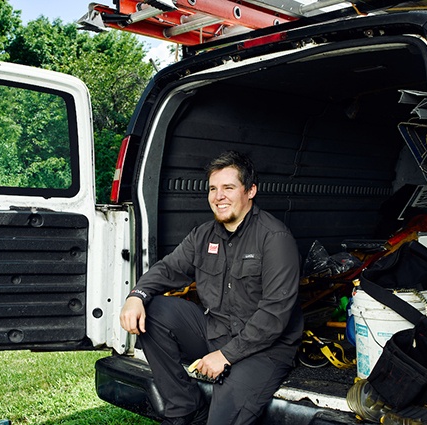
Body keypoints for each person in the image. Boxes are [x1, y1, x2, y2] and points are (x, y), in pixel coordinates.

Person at [120, 151, 303, 425]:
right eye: (213, 189)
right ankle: (184, 408)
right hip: (216, 331)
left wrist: (225, 356)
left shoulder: (275, 238)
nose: (218, 197)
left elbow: (275, 315)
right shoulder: (203, 235)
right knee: (153, 309)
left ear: (250, 190)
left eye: (228, 188)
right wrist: (136, 295)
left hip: (266, 348)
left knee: (223, 418)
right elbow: (168, 269)